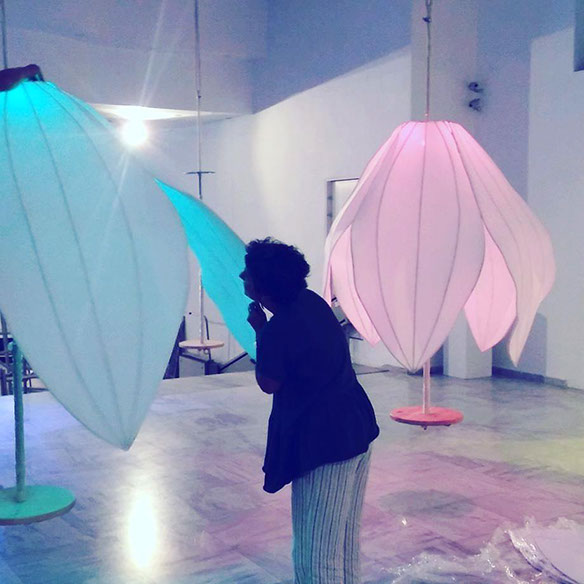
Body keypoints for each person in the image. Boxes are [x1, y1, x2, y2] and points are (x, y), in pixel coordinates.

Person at [240, 237, 379, 584]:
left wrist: (261, 332)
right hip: (354, 428)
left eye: (248, 272)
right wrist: (265, 329)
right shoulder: (312, 302)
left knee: (315, 556)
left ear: (263, 285)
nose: (241, 276)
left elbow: (268, 382)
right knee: (343, 544)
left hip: (325, 444)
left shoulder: (281, 328)